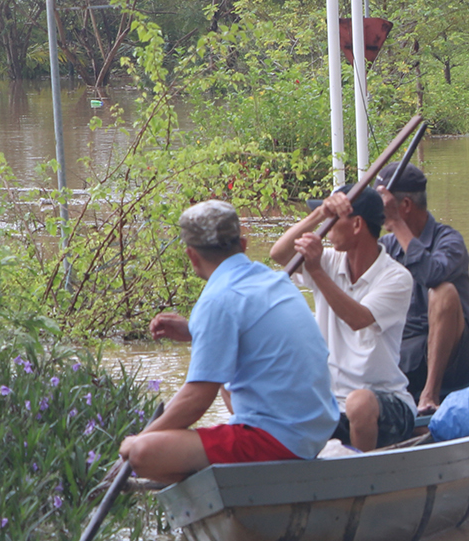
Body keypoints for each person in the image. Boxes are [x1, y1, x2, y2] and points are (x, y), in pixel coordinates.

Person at [120, 200, 337, 485]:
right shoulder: (274, 280)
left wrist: (140, 439)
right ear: (244, 244)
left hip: (279, 439)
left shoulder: (217, 299)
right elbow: (249, 325)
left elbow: (197, 399)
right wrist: (193, 330)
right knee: (222, 385)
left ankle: (219, 482)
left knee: (141, 453)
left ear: (192, 257)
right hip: (315, 430)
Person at [268, 183, 418, 452]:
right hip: (329, 403)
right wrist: (318, 215)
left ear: (357, 225)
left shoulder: (396, 277)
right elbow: (279, 253)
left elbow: (358, 318)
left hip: (384, 404)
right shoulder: (329, 260)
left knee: (359, 402)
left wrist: (317, 272)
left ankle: (362, 477)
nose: (327, 230)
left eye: (332, 222)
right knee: (273, 394)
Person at [376, 162, 469, 414]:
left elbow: (432, 274)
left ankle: (429, 394)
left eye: (384, 204)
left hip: (451, 359)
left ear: (403, 206)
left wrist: (396, 223)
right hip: (403, 354)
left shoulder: (450, 241)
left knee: (443, 292)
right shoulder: (385, 246)